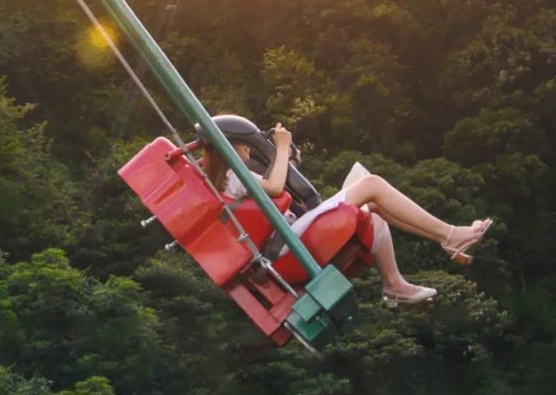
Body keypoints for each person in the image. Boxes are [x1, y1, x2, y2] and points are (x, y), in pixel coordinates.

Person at [204, 123, 491, 307]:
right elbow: (276, 187)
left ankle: (396, 283)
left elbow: (271, 186)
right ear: (227, 146)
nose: (247, 148)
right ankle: (449, 236)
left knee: (370, 197)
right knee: (371, 184)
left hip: (285, 237)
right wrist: (280, 147)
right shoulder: (232, 175)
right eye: (242, 143)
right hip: (283, 246)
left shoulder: (227, 178)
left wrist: (286, 159)